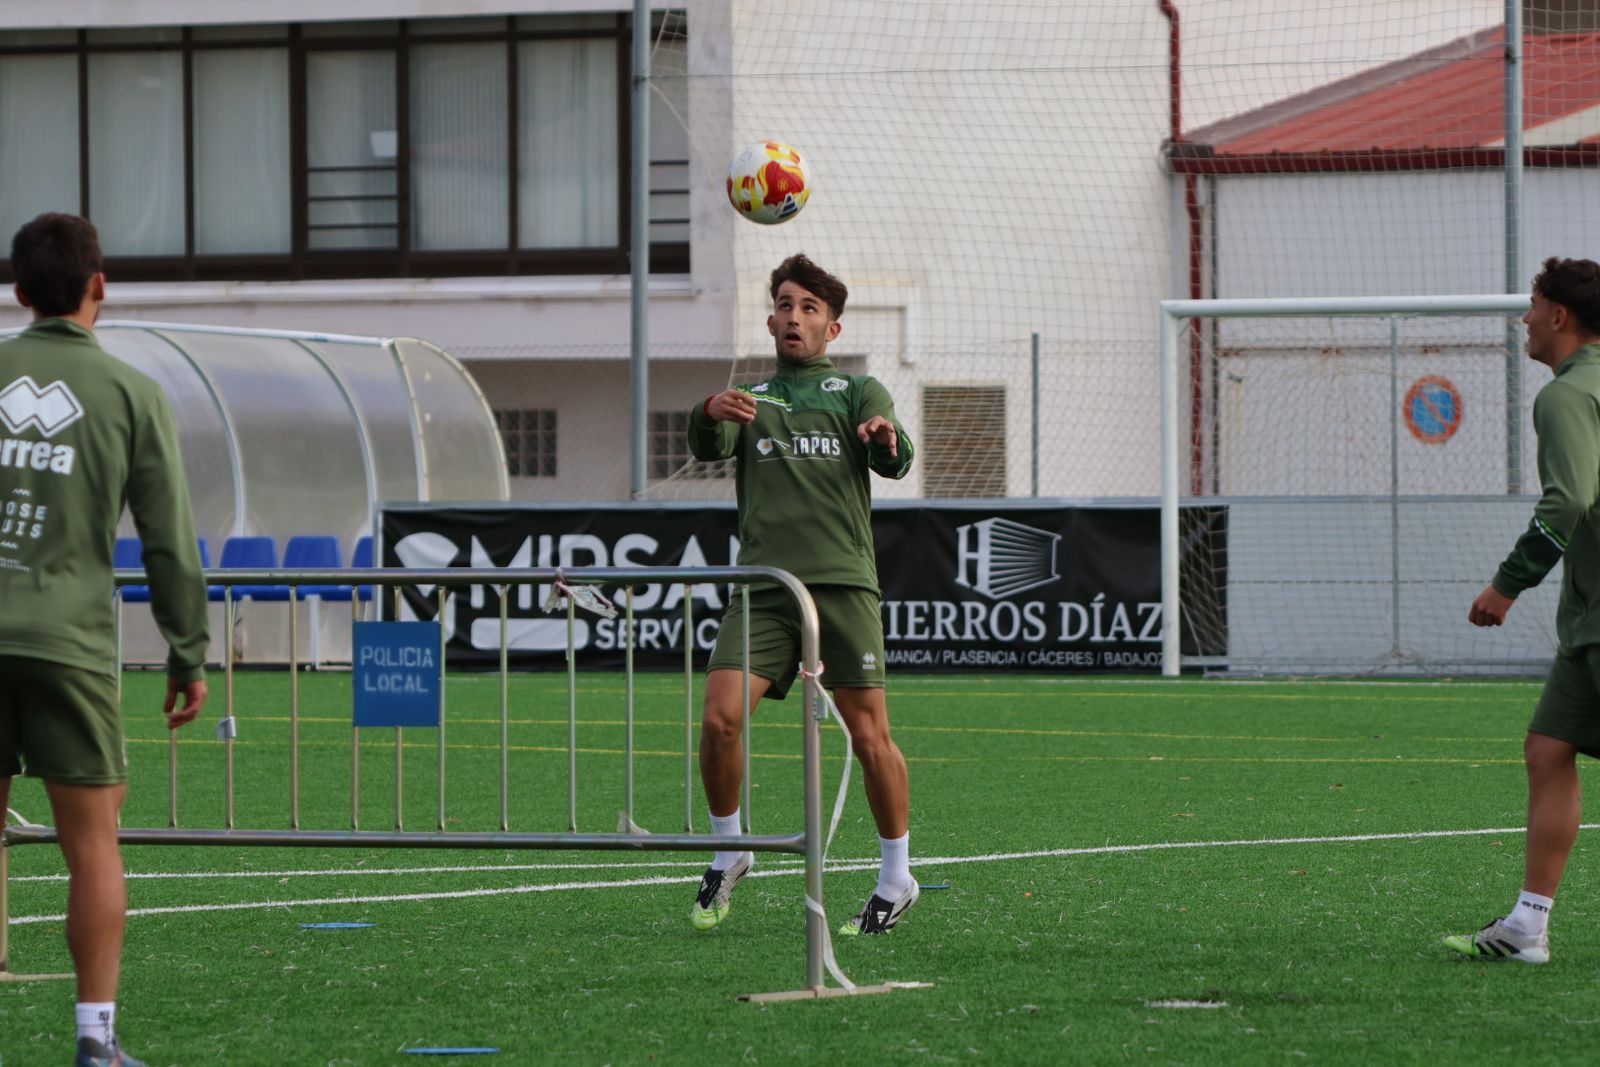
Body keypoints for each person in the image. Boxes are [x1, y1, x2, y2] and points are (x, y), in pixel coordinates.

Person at [0, 213, 209, 1066]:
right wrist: (187, 652)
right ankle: (94, 1040)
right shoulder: (133, 391)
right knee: (92, 841)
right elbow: (168, 539)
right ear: (100, 285)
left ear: (17, 293)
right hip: (67, 643)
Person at [685, 253, 918, 937]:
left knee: (871, 735)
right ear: (770, 318)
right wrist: (707, 409)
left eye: (810, 308)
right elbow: (709, 442)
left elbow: (896, 455)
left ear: (832, 328)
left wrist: (885, 437)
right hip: (764, 588)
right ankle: (731, 848)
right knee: (719, 719)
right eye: (786, 305)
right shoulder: (751, 396)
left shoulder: (857, 393)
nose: (795, 317)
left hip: (843, 586)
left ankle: (896, 875)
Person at [1446, 256, 1600, 964]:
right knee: (1548, 749)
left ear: (1560, 316)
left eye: (1532, 305)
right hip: (1587, 616)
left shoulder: (1567, 395)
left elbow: (1568, 500)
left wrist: (1507, 583)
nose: (1525, 319)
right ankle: (1527, 926)